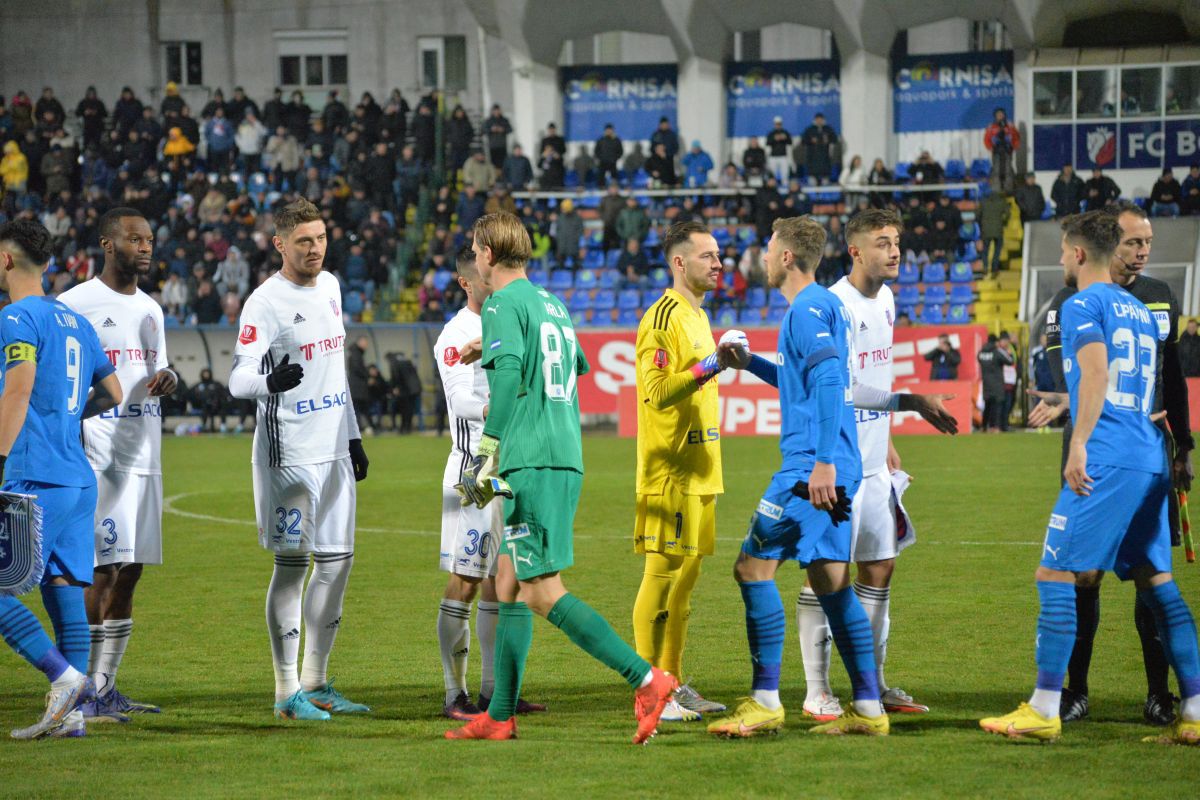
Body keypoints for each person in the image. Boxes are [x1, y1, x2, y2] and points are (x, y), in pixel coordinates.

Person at [445, 212, 676, 743]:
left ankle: (647, 679)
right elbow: (578, 367)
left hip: (532, 459)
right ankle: (499, 716)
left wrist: (486, 449)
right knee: (508, 585)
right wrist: (499, 349)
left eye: (477, 249)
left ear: (485, 254)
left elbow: (506, 383)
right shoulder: (551, 302)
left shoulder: (501, 303)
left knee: (543, 589)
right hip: (562, 451)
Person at [980, 210, 1200, 745]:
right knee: (1157, 583)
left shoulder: (1082, 304)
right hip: (1149, 453)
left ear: (1079, 254)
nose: (1060, 260)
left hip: (1106, 456)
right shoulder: (1142, 311)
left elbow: (1099, 373)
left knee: (1055, 575)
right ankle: (1193, 709)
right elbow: (1141, 386)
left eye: (1061, 251)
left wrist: (1078, 443)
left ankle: (1045, 706)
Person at [705, 215, 887, 738]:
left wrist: (823, 460)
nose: (761, 256)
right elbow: (802, 378)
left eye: (767, 246)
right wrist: (751, 363)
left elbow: (830, 378)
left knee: (751, 568)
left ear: (786, 256)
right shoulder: (827, 306)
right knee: (832, 584)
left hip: (810, 470)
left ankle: (764, 699)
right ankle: (869, 710)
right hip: (834, 463)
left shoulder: (806, 309)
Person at [798, 209, 957, 723]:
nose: (895, 252)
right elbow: (840, 389)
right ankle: (817, 690)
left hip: (872, 459)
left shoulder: (887, 300)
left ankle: (874, 681)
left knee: (880, 567)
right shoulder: (833, 307)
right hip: (836, 460)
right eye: (884, 243)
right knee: (825, 574)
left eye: (897, 242)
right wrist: (910, 401)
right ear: (856, 251)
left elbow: (877, 369)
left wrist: (885, 437)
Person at [228, 199, 371, 721]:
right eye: (303, 241)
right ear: (280, 244)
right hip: (288, 453)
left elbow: (335, 369)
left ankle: (316, 682)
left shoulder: (331, 286)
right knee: (292, 567)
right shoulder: (264, 303)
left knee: (338, 563)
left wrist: (352, 436)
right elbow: (237, 378)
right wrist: (269, 382)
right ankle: (286, 692)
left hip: (333, 449)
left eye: (321, 238)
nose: (314, 249)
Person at [0, 218, 123, 740]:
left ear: (6, 260)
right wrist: (71, 417)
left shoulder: (15, 318)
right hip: (78, 478)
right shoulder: (74, 320)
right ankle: (71, 720)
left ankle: (67, 678)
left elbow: (18, 390)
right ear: (47, 262)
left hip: (36, 476)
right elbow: (114, 393)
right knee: (64, 589)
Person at [59, 208, 175, 722]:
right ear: (108, 245)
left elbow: (155, 366)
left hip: (145, 450)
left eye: (149, 239)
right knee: (99, 570)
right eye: (135, 239)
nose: (146, 247)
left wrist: (168, 376)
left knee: (131, 570)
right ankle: (78, 688)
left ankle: (105, 688)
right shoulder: (74, 305)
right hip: (99, 453)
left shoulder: (152, 309)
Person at [631, 221, 737, 723]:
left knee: (685, 585)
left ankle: (671, 684)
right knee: (661, 576)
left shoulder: (700, 314)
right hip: (670, 470)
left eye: (719, 256)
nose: (718, 263)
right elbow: (656, 391)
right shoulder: (663, 317)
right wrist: (712, 364)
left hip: (702, 468)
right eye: (707, 256)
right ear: (679, 263)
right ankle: (649, 692)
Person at [433, 245, 546, 720]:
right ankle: (452, 694)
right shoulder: (455, 334)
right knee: (466, 580)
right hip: (473, 470)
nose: (494, 282)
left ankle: (493, 691)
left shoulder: (508, 319)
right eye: (486, 277)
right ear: (468, 281)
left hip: (514, 467)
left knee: (506, 582)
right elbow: (458, 401)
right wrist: (499, 412)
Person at [977, 334, 1013, 432]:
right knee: (998, 406)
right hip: (997, 383)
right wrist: (1009, 354)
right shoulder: (996, 352)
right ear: (995, 342)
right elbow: (1010, 361)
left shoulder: (980, 353)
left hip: (986, 384)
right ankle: (996, 427)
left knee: (987, 407)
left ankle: (984, 427)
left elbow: (980, 360)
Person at [983, 108, 1020, 192]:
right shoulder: (991, 127)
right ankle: (996, 189)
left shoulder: (1010, 126)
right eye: (998, 115)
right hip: (996, 152)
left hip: (1007, 151)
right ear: (995, 116)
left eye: (1002, 114)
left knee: (1008, 170)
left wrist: (1014, 146)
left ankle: (1009, 189)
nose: (1000, 116)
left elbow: (1016, 137)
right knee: (996, 170)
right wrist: (990, 147)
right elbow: (986, 139)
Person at [979, 189, 1011, 276]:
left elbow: (977, 215)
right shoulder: (1002, 202)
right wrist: (1004, 222)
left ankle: (985, 266)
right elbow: (1007, 214)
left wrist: (981, 225)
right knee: (997, 250)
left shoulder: (983, 202)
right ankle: (994, 268)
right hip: (998, 230)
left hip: (986, 230)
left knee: (985, 250)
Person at [801, 113, 837, 185]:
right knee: (812, 180)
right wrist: (811, 141)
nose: (819, 121)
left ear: (823, 120)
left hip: (824, 157)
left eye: (821, 119)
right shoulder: (810, 129)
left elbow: (834, 139)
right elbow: (803, 141)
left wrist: (828, 140)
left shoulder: (828, 129)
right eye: (817, 119)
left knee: (825, 180)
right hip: (812, 157)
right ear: (815, 120)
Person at [765, 117, 792, 185]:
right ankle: (773, 186)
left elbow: (790, 142)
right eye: (776, 124)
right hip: (773, 156)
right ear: (774, 124)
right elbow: (768, 143)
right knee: (772, 173)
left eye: (779, 124)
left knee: (785, 173)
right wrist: (775, 139)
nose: (778, 125)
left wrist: (784, 138)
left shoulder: (785, 132)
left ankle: (785, 185)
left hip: (783, 156)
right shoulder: (771, 133)